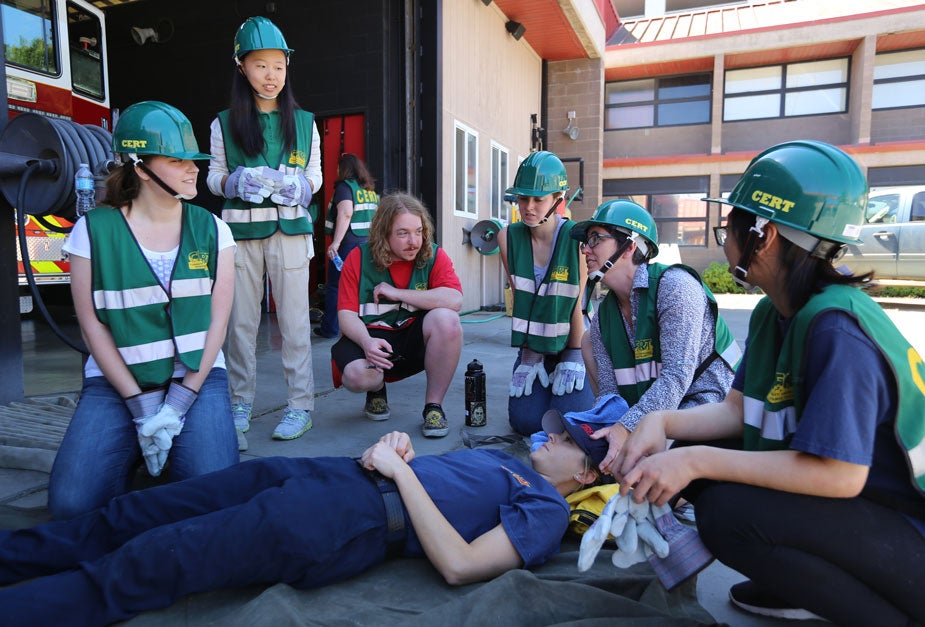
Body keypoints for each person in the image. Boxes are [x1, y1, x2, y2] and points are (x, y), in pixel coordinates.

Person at [608, 140, 925, 625]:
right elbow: (737, 412)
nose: (726, 235)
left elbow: (841, 473)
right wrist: (662, 422)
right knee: (709, 480)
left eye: (733, 221)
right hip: (868, 513)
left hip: (906, 531)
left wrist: (690, 458)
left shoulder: (835, 328)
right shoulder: (774, 312)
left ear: (765, 233)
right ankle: (801, 578)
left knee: (728, 515)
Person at [0, 419, 609, 625]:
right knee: (135, 512)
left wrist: (402, 478)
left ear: (584, 476)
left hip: (354, 516)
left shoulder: (549, 508)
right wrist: (401, 450)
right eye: (558, 428)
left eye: (567, 441)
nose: (551, 435)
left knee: (156, 559)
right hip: (329, 473)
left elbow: (460, 564)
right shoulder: (502, 460)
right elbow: (440, 487)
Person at [49, 101, 239, 520]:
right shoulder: (92, 231)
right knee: (70, 504)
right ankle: (135, 454)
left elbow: (217, 325)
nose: (193, 170)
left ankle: (163, 451)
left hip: (195, 375)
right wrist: (142, 409)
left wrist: (180, 402)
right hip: (118, 380)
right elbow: (93, 328)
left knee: (216, 495)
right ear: (140, 166)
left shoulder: (213, 230)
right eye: (177, 160)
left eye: (195, 161)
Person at [207, 16, 321, 441]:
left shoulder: (305, 122)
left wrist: (300, 186)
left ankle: (300, 406)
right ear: (241, 67)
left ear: (287, 67)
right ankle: (239, 404)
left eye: (278, 65)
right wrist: (233, 182)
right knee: (240, 325)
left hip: (291, 232)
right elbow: (213, 175)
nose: (270, 75)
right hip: (239, 234)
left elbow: (316, 176)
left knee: (294, 324)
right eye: (260, 65)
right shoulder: (224, 122)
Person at [571, 200, 739, 457]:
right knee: (588, 341)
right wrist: (604, 430)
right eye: (586, 241)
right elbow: (609, 395)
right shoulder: (606, 313)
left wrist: (626, 427)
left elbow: (676, 377)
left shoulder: (675, 287)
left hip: (709, 407)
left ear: (629, 246)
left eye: (595, 239)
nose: (585, 250)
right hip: (656, 411)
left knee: (644, 460)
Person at [333, 192, 462, 437]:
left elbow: (455, 299)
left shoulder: (433, 255)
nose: (414, 241)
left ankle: (433, 407)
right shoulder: (358, 258)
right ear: (384, 233)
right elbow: (346, 315)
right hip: (371, 340)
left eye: (418, 231)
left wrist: (399, 293)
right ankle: (377, 387)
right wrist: (367, 342)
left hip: (409, 342)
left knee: (447, 320)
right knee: (357, 377)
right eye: (402, 233)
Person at [498, 151, 594, 435]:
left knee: (569, 423)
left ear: (557, 199)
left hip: (572, 340)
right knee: (526, 423)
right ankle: (540, 369)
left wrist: (576, 355)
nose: (528, 207)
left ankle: (578, 371)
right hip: (535, 346)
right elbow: (520, 301)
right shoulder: (507, 238)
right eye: (523, 198)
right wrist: (529, 354)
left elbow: (578, 304)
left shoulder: (576, 238)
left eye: (538, 199)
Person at [315, 153, 379, 339]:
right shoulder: (369, 190)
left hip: (348, 245)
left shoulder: (345, 187)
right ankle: (366, 327)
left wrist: (335, 243)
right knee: (363, 287)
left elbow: (345, 213)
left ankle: (330, 328)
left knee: (336, 286)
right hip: (368, 245)